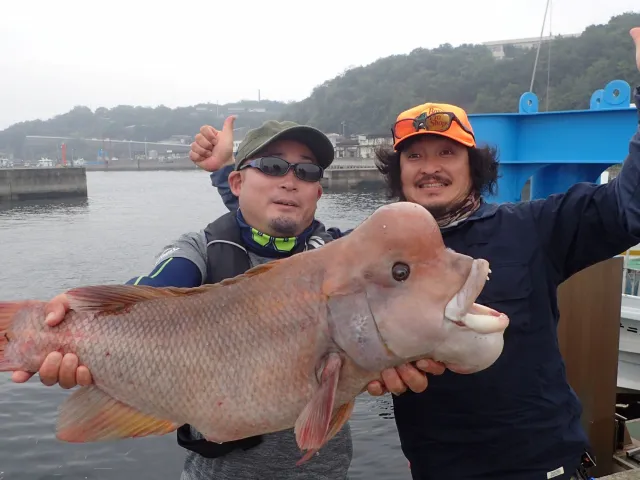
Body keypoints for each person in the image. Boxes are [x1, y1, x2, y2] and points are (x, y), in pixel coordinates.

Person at [186, 27, 640, 480]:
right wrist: (227, 172)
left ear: (473, 165)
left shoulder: (536, 227)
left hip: (542, 466)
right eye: (415, 157)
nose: (431, 168)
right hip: (434, 469)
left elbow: (629, 208)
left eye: (447, 152)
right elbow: (283, 228)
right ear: (398, 170)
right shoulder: (369, 255)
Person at [11, 119, 444, 479]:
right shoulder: (199, 251)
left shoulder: (346, 263)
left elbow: (409, 258)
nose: (290, 181)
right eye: (273, 166)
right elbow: (149, 293)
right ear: (236, 182)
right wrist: (66, 327)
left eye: (307, 173)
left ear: (318, 192)